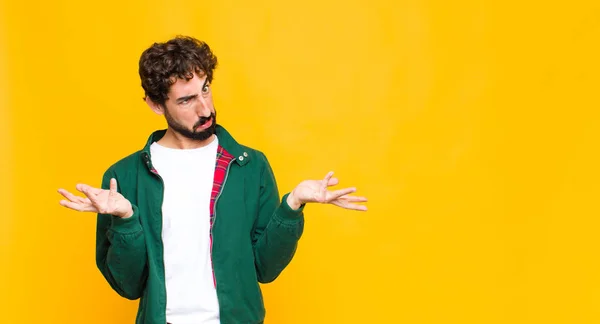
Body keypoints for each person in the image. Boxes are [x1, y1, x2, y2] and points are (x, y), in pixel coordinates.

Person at [57, 35, 368, 324]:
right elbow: (128, 285)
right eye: (186, 100)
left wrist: (292, 205)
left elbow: (265, 268)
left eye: (205, 89)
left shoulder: (250, 166)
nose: (205, 108)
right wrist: (126, 219)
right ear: (155, 104)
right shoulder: (123, 177)